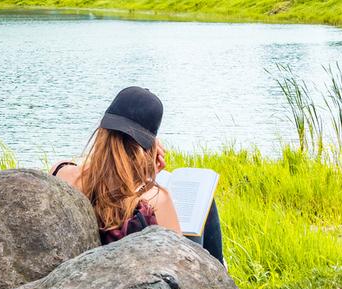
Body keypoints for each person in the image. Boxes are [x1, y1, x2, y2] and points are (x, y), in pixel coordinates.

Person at [50, 86, 224, 264]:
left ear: (103, 129)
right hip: (133, 280)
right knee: (205, 203)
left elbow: (97, 173)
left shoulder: (61, 171)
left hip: (76, 274)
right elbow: (178, 264)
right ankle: (222, 272)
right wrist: (147, 180)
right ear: (147, 147)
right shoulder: (156, 199)